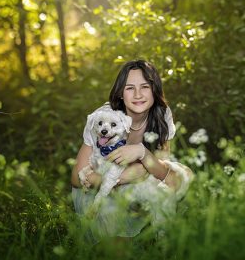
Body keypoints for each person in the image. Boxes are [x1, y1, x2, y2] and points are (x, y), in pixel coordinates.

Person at [70, 59, 193, 242]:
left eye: (144, 86)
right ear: (120, 93)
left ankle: (164, 239)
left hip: (138, 183)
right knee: (118, 246)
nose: (137, 95)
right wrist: (123, 177)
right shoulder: (103, 119)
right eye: (129, 88)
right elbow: (75, 178)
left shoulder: (161, 114)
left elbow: (162, 172)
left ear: (154, 90)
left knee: (181, 176)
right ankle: (130, 232)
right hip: (100, 187)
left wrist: (142, 154)